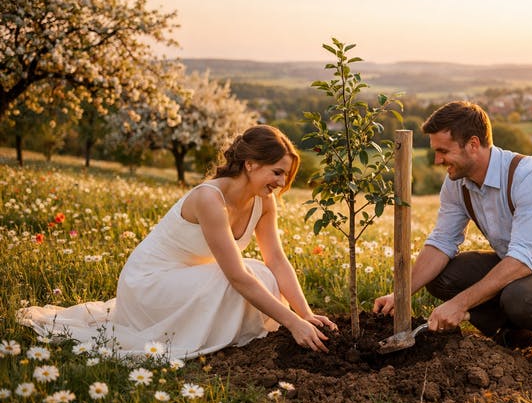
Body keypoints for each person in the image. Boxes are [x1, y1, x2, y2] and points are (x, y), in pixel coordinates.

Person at [18, 125, 336, 359]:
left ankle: (222, 338)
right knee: (241, 277)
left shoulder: (264, 201)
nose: (282, 183)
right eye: (277, 173)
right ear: (251, 164)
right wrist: (290, 321)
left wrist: (304, 313)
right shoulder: (210, 199)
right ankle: (208, 341)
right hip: (149, 284)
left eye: (286, 176)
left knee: (264, 274)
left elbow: (276, 260)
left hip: (190, 280)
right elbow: (236, 276)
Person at [373, 101, 532, 360]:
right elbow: (442, 242)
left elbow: (525, 259)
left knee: (520, 297)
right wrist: (401, 295)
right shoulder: (456, 185)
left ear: (473, 144)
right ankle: (514, 334)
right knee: (442, 277)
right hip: (523, 269)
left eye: (443, 151)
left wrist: (460, 304)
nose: (437, 160)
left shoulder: (529, 176)